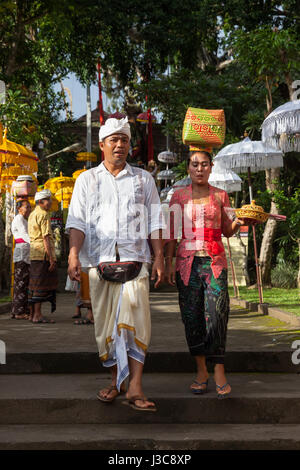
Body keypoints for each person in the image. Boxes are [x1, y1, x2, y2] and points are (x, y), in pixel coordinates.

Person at [66, 117, 165, 411]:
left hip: (136, 261)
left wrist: (159, 256)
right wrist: (73, 254)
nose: (120, 145)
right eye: (114, 140)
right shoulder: (86, 180)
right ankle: (115, 380)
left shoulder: (143, 179)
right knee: (106, 327)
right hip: (100, 262)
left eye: (124, 139)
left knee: (136, 324)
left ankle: (135, 386)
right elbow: (77, 221)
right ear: (102, 145)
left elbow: (156, 220)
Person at [164, 150, 250, 399]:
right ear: (188, 168)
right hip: (186, 264)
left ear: (211, 167)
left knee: (218, 313)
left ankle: (219, 369)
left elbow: (228, 230)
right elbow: (170, 233)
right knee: (191, 317)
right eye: (194, 165)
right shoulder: (177, 197)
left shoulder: (221, 195)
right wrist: (168, 264)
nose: (199, 169)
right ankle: (201, 370)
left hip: (214, 262)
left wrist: (242, 220)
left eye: (204, 164)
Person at [28, 189, 58, 324]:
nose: (50, 202)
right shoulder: (44, 214)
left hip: (34, 253)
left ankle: (32, 314)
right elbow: (45, 237)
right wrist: (51, 258)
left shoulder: (32, 214)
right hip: (43, 254)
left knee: (34, 284)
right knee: (40, 284)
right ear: (40, 202)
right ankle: (37, 315)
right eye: (48, 200)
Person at [11, 199, 32, 320]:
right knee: (21, 283)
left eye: (29, 207)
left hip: (25, 252)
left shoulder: (24, 220)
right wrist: (35, 244)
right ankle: (19, 312)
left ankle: (20, 310)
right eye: (27, 207)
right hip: (22, 253)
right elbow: (24, 235)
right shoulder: (19, 219)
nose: (29, 209)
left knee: (24, 283)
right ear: (19, 209)